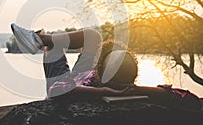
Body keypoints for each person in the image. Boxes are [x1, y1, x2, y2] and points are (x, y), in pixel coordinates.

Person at [11, 23, 202, 110]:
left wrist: (100, 90)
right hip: (83, 77)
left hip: (70, 83)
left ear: (99, 73)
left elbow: (57, 91)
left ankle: (41, 39)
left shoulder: (95, 89)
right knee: (93, 36)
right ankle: (39, 38)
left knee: (55, 47)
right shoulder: (126, 87)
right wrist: (142, 90)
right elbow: (186, 97)